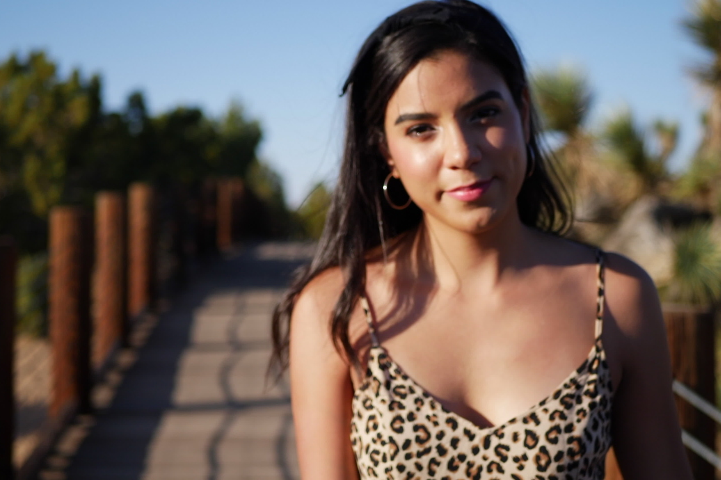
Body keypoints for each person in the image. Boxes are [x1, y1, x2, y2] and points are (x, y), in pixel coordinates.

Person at [271, 1, 692, 478]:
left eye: (483, 113)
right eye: (421, 129)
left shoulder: (615, 296)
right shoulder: (337, 309)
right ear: (386, 150)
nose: (462, 152)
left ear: (523, 112)